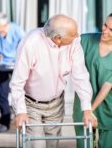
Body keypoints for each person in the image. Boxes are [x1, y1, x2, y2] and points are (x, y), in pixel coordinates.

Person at [10, 14, 97, 148]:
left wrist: (87, 109)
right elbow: (17, 81)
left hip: (56, 104)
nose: (78, 35)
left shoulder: (74, 42)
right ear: (58, 39)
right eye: (74, 33)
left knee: (52, 145)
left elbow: (81, 76)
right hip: (32, 104)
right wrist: (21, 111)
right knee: (37, 145)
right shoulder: (31, 43)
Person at [73, 13, 112, 148]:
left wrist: (90, 111)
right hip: (83, 105)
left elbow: (107, 86)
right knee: (84, 144)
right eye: (105, 25)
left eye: (111, 30)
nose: (105, 31)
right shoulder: (85, 40)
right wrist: (86, 110)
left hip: (108, 108)